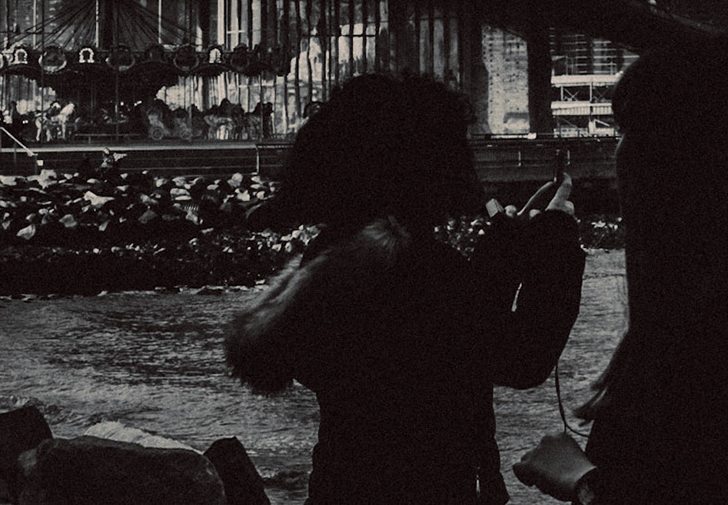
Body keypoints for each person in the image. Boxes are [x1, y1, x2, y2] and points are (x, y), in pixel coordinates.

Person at [514, 39, 728, 505]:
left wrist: (582, 481)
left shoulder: (726, 331)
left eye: (631, 129)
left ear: (679, 162)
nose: (620, 152)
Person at [226, 72, 583, 504]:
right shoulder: (423, 269)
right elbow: (520, 359)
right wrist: (559, 248)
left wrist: (501, 257)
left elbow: (452, 344)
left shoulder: (332, 256)